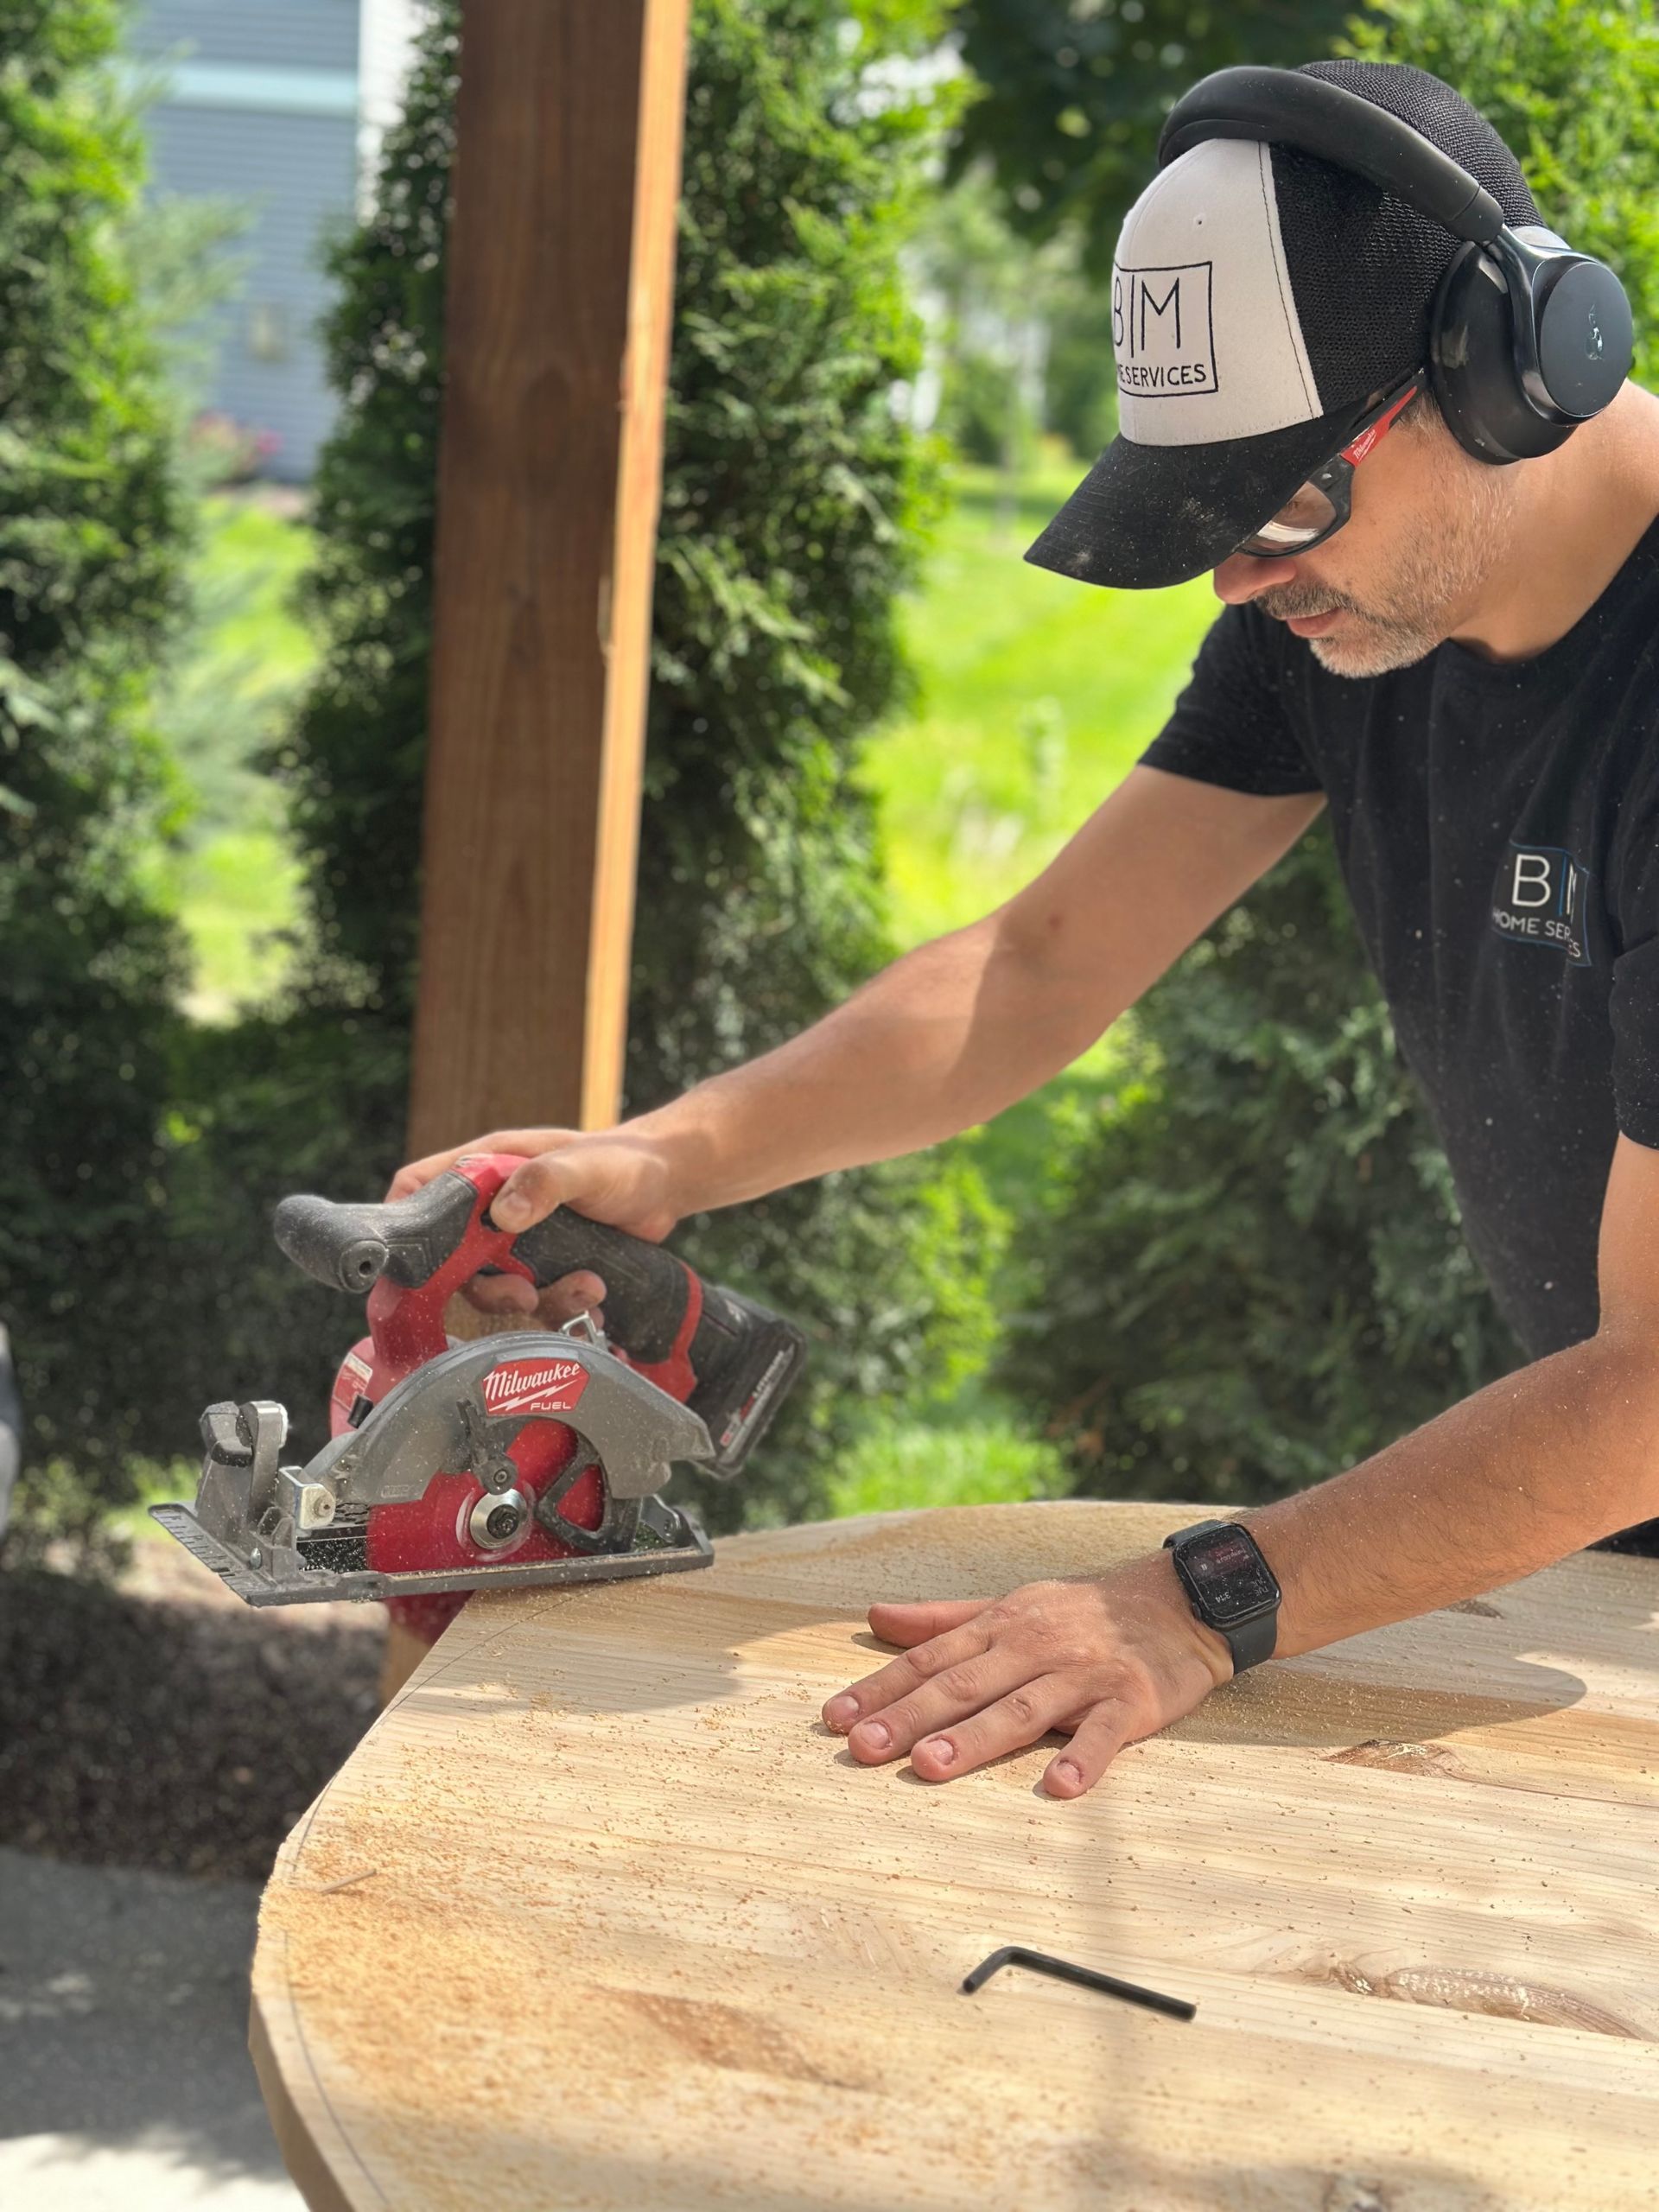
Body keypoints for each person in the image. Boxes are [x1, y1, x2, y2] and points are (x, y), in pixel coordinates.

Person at [391, 60, 1659, 1799]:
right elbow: (1038, 965)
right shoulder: (1352, 613)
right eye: (1214, 518)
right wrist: (673, 1151)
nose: (1239, 583)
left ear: (1515, 375)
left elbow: (1653, 1384)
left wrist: (1197, 1601)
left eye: (1286, 502)